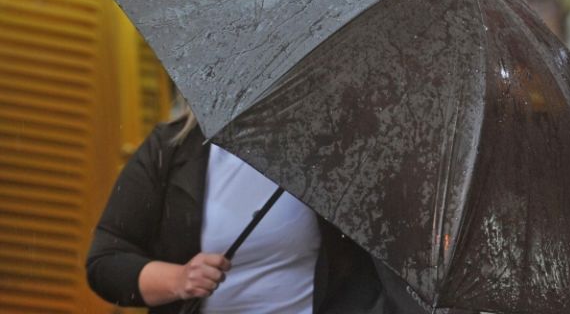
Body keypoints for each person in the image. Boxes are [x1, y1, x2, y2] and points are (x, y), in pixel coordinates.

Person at [87, 108, 472, 314]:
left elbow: (393, 263)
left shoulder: (339, 155)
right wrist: (180, 279)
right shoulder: (171, 149)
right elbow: (106, 260)